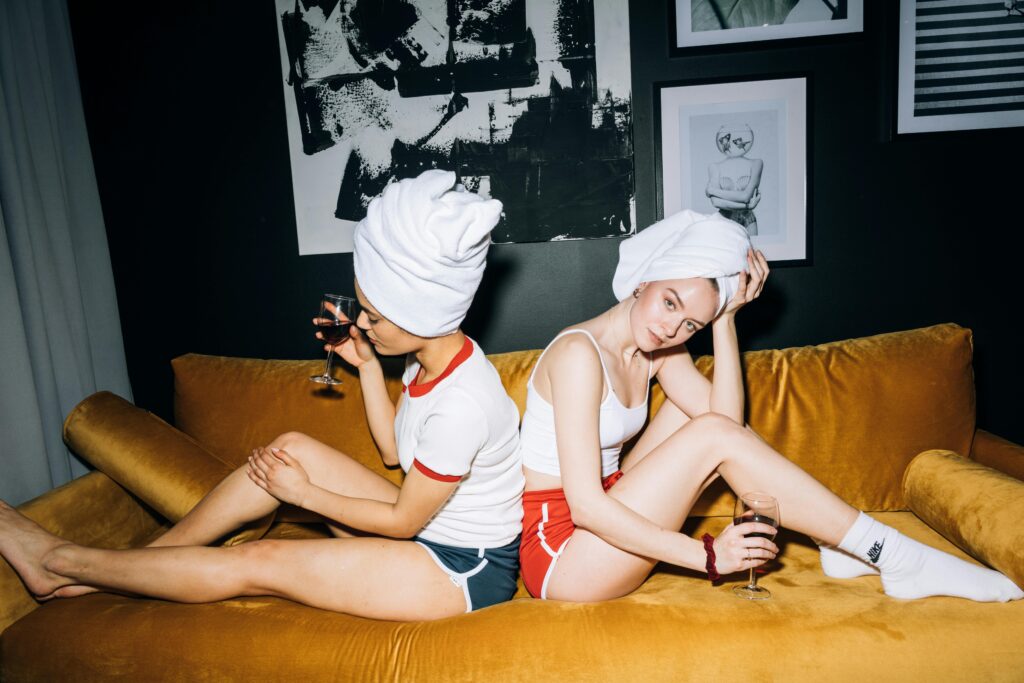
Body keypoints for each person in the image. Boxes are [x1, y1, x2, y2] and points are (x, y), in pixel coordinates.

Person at [0, 169, 525, 620]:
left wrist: (304, 496)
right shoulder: (426, 356)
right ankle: (136, 566)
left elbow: (404, 521)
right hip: (425, 529)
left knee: (262, 562)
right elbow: (394, 452)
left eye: (375, 316)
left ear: (422, 314)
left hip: (460, 568)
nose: (362, 322)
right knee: (289, 447)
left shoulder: (464, 402)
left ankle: (59, 562)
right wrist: (366, 365)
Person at [517, 209, 1023, 603]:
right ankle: (887, 551)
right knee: (706, 431)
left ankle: (843, 544)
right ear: (645, 278)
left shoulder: (657, 350)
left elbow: (726, 422)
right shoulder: (580, 352)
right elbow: (584, 505)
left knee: (701, 419)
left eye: (690, 323)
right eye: (670, 302)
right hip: (564, 552)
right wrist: (707, 555)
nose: (672, 328)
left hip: (607, 514)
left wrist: (724, 320)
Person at [705, 125, 763, 236]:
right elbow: (716, 202)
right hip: (723, 220)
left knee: (752, 252)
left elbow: (746, 196)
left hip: (748, 221)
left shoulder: (756, 163)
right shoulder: (715, 166)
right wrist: (747, 206)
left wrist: (712, 191)